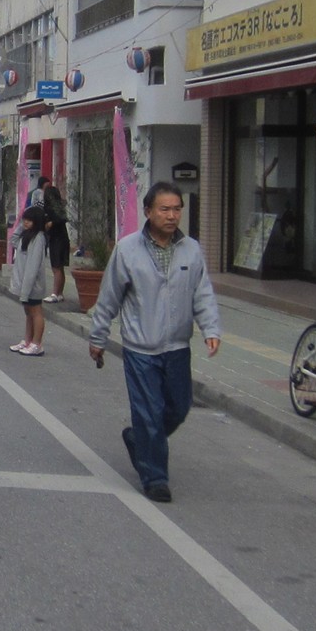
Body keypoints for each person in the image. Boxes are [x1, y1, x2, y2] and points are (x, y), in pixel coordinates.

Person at [86, 181, 220, 503]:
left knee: (179, 406)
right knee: (149, 412)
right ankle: (155, 476)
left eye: (177, 209)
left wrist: (210, 328)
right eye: (165, 209)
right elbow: (109, 296)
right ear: (148, 212)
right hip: (140, 347)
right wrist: (98, 336)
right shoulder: (128, 249)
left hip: (177, 346)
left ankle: (139, 440)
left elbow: (202, 292)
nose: (172, 215)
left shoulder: (191, 249)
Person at [8, 204, 52, 355]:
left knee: (36, 312)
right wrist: (20, 226)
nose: (25, 223)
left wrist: (26, 290)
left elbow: (33, 267)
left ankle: (37, 343)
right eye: (24, 220)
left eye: (29, 220)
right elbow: (13, 240)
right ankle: (27, 340)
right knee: (28, 313)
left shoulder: (38, 238)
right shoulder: (26, 236)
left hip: (33, 285)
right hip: (24, 284)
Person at [38, 175, 71, 301]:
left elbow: (56, 221)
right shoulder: (59, 207)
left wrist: (49, 224)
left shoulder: (51, 208)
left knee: (56, 267)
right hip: (62, 238)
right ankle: (60, 293)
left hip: (56, 239)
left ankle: (55, 294)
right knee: (60, 267)